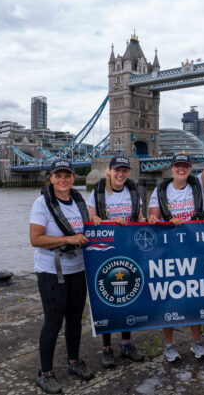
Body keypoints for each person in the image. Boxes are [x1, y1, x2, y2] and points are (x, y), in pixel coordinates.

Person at [147, 123, 204, 362]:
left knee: (195, 298)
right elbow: (153, 219)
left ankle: (196, 342)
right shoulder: (159, 191)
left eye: (185, 166)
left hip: (195, 250)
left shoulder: (198, 184)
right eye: (178, 166)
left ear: (189, 169)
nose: (181, 169)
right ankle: (168, 346)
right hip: (169, 253)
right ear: (172, 168)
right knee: (169, 299)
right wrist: (161, 221)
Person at [29, 160, 93, 394]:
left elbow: (87, 229)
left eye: (67, 175)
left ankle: (74, 362)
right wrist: (68, 239)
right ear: (51, 179)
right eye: (58, 176)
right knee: (53, 322)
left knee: (75, 318)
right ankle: (45, 374)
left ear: (73, 178)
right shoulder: (41, 204)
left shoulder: (77, 201)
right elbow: (35, 239)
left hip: (77, 267)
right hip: (51, 271)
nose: (63, 180)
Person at [86, 155, 146, 369]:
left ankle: (127, 344)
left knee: (129, 296)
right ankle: (106, 348)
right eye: (117, 170)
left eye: (124, 170)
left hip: (129, 251)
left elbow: (139, 220)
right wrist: (110, 222)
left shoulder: (132, 193)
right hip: (106, 254)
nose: (120, 174)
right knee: (107, 298)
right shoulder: (98, 192)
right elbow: (92, 221)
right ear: (109, 171)